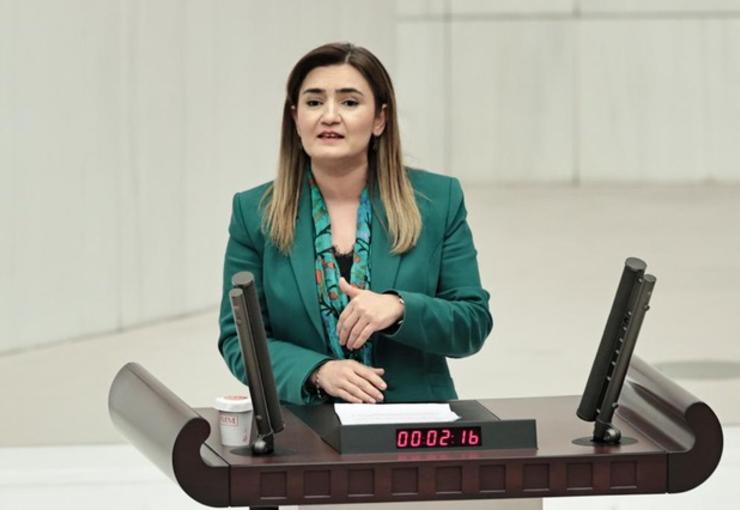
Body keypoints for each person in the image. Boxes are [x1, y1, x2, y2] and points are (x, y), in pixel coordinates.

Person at [218, 42, 492, 406]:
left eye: (349, 102)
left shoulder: (438, 200)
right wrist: (317, 372)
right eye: (314, 102)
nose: (330, 116)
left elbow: (472, 323)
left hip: (415, 422)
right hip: (306, 423)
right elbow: (239, 340)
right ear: (295, 117)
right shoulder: (254, 211)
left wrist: (400, 308)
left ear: (379, 119)